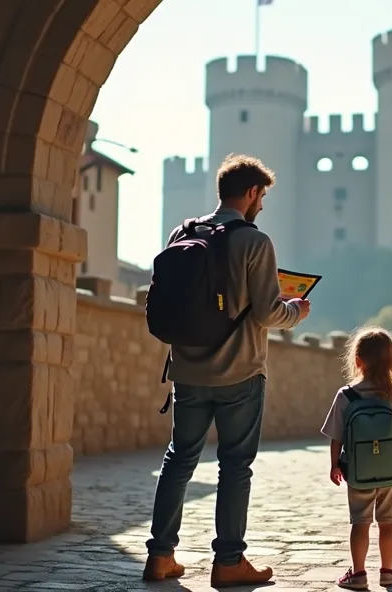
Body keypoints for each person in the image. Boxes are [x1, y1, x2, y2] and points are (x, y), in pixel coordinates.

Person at [144, 154, 312, 586]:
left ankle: (161, 556)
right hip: (239, 372)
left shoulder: (182, 232)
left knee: (179, 459)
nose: (263, 205)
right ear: (252, 193)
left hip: (187, 370)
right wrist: (296, 310)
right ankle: (229, 561)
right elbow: (267, 312)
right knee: (235, 466)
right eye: (263, 196)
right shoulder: (255, 242)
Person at [320, 327, 392, 591]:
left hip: (358, 471)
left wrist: (335, 465)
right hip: (391, 471)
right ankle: (388, 571)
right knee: (388, 523)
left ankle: (358, 574)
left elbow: (336, 436)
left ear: (357, 360)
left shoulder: (346, 395)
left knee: (360, 523)